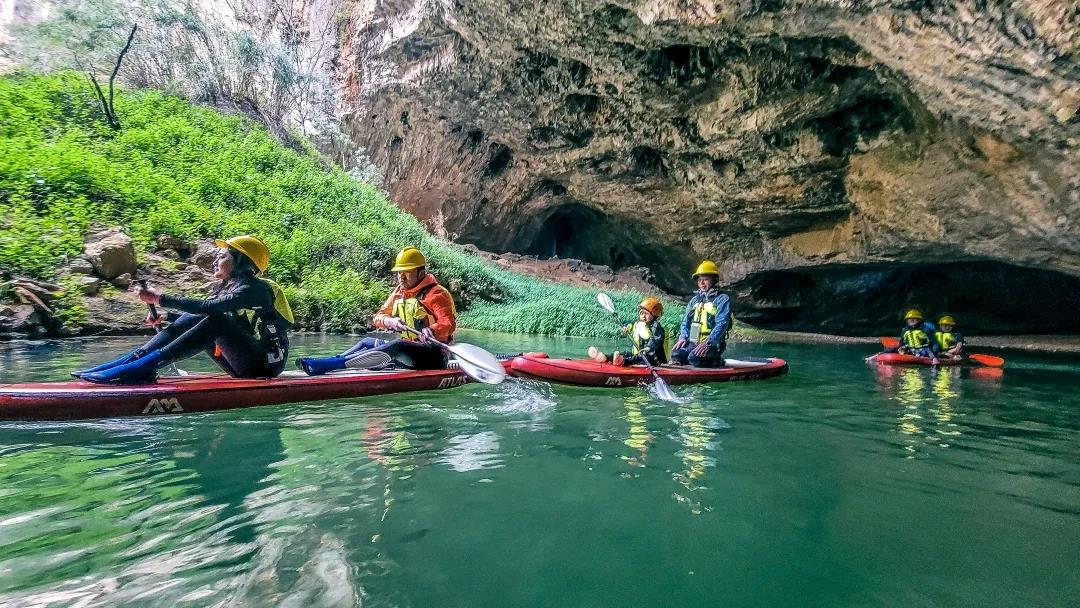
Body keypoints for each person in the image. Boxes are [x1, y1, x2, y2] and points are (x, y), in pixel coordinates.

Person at [76, 235, 294, 384]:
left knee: (216, 318)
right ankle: (134, 361)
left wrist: (160, 298)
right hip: (242, 363)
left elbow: (209, 308)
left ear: (241, 261)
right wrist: (168, 316)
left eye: (223, 256)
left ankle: (145, 366)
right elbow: (201, 313)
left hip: (265, 365)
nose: (216, 260)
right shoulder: (228, 287)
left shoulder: (256, 290)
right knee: (207, 317)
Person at [296, 246, 456, 374]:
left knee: (398, 345)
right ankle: (329, 362)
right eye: (400, 272)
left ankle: (332, 366)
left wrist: (433, 330)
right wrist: (390, 321)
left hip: (434, 355)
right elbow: (378, 317)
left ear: (421, 272)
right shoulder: (399, 292)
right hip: (409, 353)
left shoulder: (437, 293)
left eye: (407, 272)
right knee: (367, 342)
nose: (402, 276)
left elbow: (448, 323)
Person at [670, 260, 732, 368]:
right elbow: (686, 322)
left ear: (714, 280)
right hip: (694, 342)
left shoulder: (722, 299)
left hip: (713, 344)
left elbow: (722, 323)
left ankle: (717, 361)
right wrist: (683, 337)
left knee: (693, 358)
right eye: (699, 280)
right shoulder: (694, 300)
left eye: (706, 279)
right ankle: (690, 358)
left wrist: (709, 342)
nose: (702, 283)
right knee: (676, 355)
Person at [587, 297, 668, 366]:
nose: (643, 316)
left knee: (639, 358)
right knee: (625, 353)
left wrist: (648, 347)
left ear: (654, 314)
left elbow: (657, 339)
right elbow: (630, 325)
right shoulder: (637, 323)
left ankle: (622, 361)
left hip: (652, 360)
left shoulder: (655, 326)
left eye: (646, 314)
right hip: (638, 355)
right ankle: (605, 357)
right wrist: (627, 328)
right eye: (641, 313)